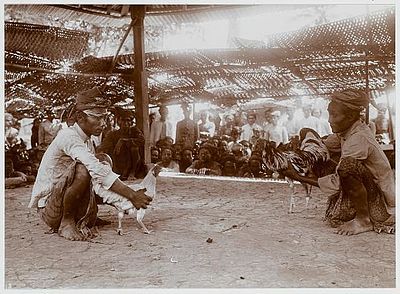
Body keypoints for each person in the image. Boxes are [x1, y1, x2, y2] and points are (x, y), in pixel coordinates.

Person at [28, 87, 152, 241]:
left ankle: (86, 216)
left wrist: (122, 200)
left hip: (64, 200)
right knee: (85, 168)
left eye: (104, 117)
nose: (103, 123)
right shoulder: (68, 136)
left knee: (102, 159)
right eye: (97, 117)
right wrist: (131, 195)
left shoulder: (88, 140)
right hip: (50, 209)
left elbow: (98, 180)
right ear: (80, 117)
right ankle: (66, 222)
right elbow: (96, 171)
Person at [282, 89, 395, 236]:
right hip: (365, 187)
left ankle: (364, 219)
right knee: (312, 141)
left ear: (350, 116)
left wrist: (298, 177)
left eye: (334, 115)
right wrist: (301, 150)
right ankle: (351, 210)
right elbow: (323, 145)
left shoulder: (358, 138)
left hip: (379, 194)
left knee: (346, 167)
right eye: (329, 114)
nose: (329, 120)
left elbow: (336, 182)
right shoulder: (344, 133)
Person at [97, 108, 145, 180]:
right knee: (108, 149)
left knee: (134, 148)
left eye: (128, 120)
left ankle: (132, 174)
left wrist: (124, 141)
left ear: (131, 122)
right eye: (123, 120)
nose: (125, 123)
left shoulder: (134, 131)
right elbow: (104, 145)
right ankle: (117, 173)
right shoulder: (113, 134)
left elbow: (142, 140)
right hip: (119, 162)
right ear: (118, 121)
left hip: (133, 165)